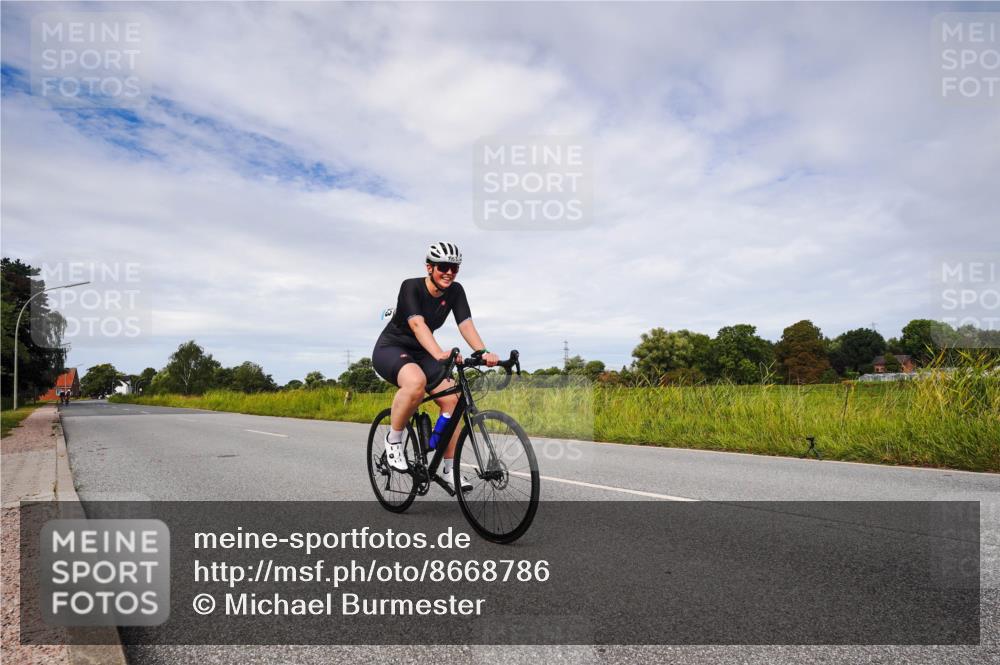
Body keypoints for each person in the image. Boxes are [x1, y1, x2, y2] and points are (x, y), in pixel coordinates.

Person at [372, 242, 499, 493]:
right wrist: (440, 353)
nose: (449, 272)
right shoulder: (410, 286)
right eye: (443, 267)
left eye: (454, 268)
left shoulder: (456, 291)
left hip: (423, 352)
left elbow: (466, 324)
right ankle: (394, 439)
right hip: (392, 348)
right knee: (415, 382)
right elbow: (418, 325)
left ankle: (449, 468)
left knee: (454, 399)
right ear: (430, 267)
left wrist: (482, 352)